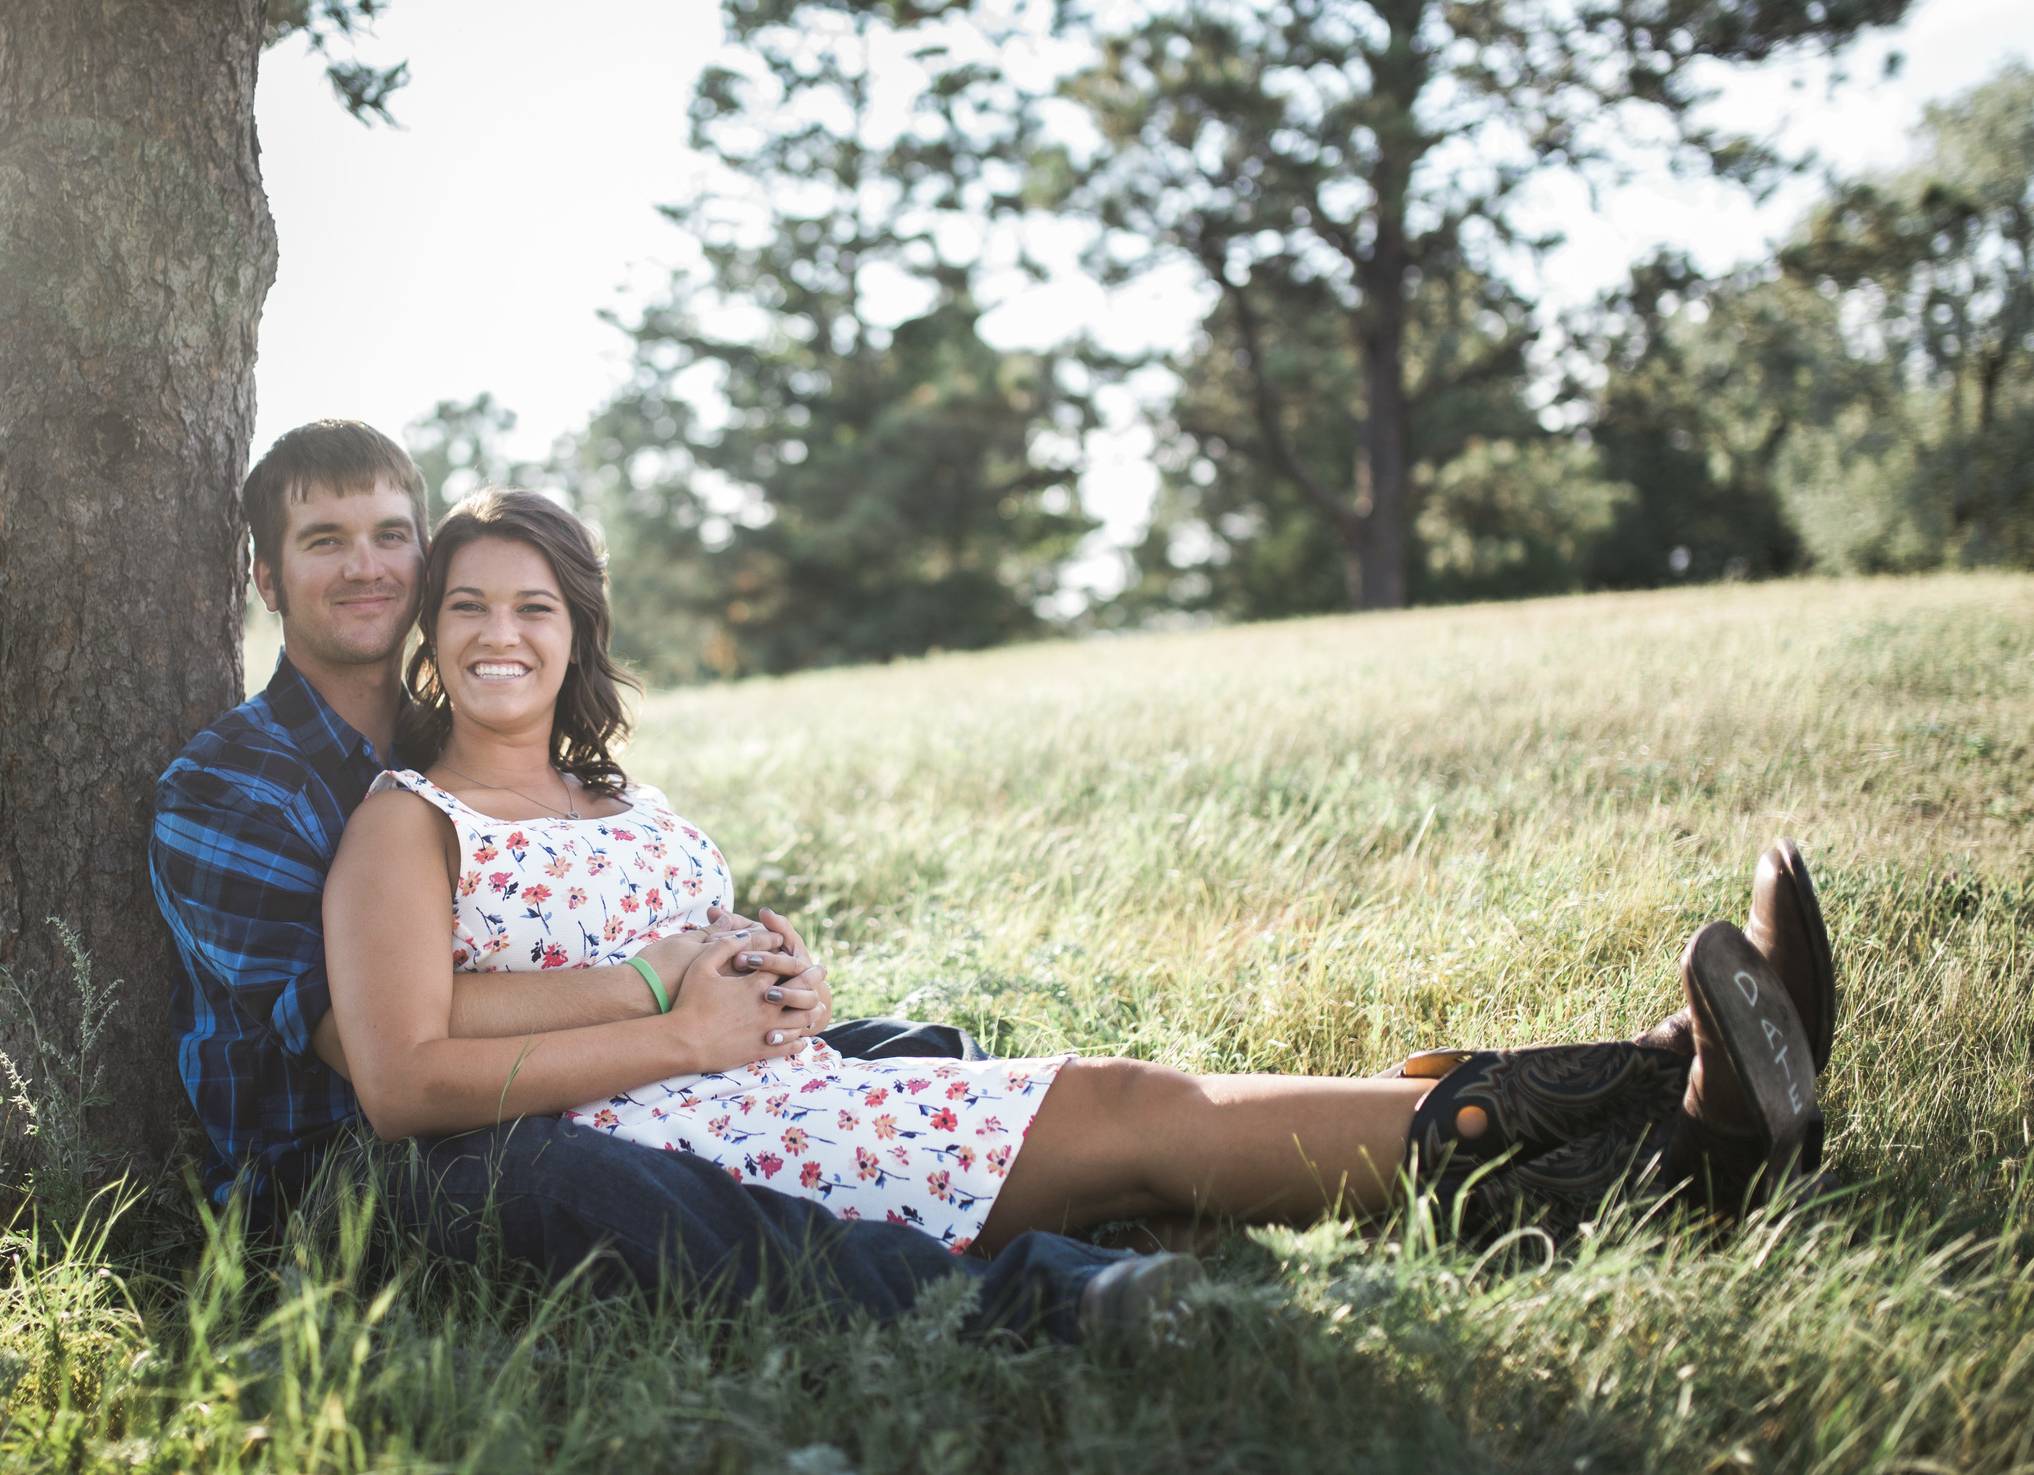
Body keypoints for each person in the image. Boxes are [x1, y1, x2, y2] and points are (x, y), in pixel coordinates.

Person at [155, 423, 1835, 1344]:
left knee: (1115, 1099)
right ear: (276, 577)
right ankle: (1063, 1299)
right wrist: (673, 1004)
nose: (444, 605)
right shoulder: (335, 803)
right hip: (489, 1158)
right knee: (1069, 1143)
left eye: (511, 596)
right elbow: (385, 1059)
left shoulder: (611, 790)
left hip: (743, 1085)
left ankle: (1658, 1097)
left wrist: (761, 982)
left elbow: (673, 956)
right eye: (350, 553)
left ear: (579, 625)